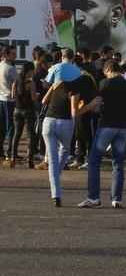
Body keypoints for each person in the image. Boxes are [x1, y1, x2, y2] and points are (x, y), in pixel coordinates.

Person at [76, 60, 126, 208]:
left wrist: (80, 111)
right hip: (123, 127)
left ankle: (93, 197)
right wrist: (124, 113)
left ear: (108, 70)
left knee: (93, 160)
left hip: (106, 125)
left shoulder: (104, 84)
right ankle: (116, 199)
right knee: (118, 163)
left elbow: (96, 104)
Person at [41, 75, 86, 206]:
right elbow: (73, 111)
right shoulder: (74, 89)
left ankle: (55, 191)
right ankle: (56, 183)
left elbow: (44, 101)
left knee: (52, 160)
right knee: (65, 150)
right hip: (65, 122)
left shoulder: (56, 83)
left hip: (48, 121)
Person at [6, 65, 38, 168]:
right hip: (29, 110)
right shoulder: (31, 83)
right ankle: (30, 159)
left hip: (17, 110)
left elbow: (12, 95)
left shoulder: (16, 81)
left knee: (16, 134)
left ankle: (12, 158)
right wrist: (37, 96)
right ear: (29, 71)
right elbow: (33, 98)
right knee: (30, 135)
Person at [0, 45, 16, 163]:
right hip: (9, 100)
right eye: (12, 54)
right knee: (11, 126)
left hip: (1, 98)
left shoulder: (0, 65)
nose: (14, 56)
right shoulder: (11, 68)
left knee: (2, 126)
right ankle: (9, 152)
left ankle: (1, 150)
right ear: (6, 55)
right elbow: (17, 84)